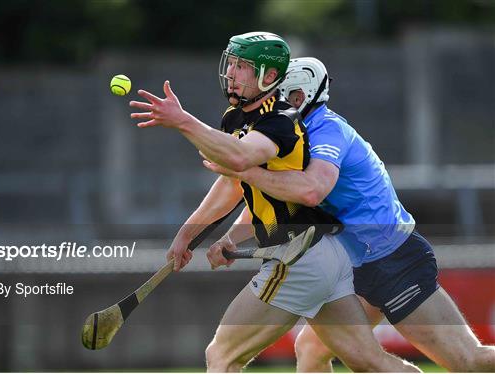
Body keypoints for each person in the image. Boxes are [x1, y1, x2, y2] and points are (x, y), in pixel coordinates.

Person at [129, 32, 418, 372]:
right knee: (369, 361)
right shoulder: (236, 118)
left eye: (243, 66)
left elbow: (240, 158)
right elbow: (232, 184)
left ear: (269, 77)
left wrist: (183, 121)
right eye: (232, 63)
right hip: (323, 255)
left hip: (298, 258)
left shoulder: (281, 120)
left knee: (221, 355)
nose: (232, 72)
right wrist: (188, 234)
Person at [204, 56, 495, 372]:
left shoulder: (326, 133)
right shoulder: (292, 135)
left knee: (469, 362)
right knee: (311, 349)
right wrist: (229, 237)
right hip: (353, 262)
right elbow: (276, 195)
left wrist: (243, 171)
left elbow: (311, 190)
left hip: (392, 261)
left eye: (277, 95)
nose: (269, 103)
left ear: (298, 96)